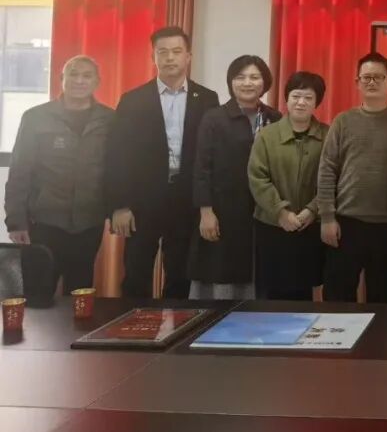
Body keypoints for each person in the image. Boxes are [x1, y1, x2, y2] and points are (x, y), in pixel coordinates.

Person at [105, 27, 219, 299]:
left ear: (188, 56)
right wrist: (119, 205)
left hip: (186, 199)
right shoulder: (133, 100)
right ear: (153, 57)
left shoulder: (207, 99)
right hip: (142, 201)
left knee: (180, 274)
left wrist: (207, 205)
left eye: (176, 51)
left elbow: (211, 156)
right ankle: (133, 324)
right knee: (136, 273)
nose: (170, 58)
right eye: (162, 52)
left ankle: (176, 325)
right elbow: (117, 155)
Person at [4, 56, 113, 293]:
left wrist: (117, 210)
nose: (79, 81)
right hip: (43, 223)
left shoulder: (110, 119)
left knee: (79, 296)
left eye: (87, 76)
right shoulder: (35, 117)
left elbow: (116, 169)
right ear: (62, 79)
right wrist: (16, 221)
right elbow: (20, 171)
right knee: (37, 294)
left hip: (88, 223)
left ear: (97, 82)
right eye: (73, 74)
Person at [319, 53, 387, 303]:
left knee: (384, 293)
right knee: (338, 293)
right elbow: (327, 170)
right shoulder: (343, 121)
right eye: (366, 77)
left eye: (378, 77)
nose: (372, 82)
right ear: (357, 82)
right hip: (346, 222)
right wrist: (327, 217)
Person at [187, 55, 280, 301]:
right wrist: (206, 211)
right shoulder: (214, 118)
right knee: (222, 271)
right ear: (231, 82)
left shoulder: (274, 118)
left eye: (254, 77)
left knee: (259, 270)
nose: (247, 83)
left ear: (265, 82)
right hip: (223, 209)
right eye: (240, 77)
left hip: (263, 212)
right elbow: (202, 168)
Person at [248, 71, 328, 301]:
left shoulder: (328, 135)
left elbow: (334, 179)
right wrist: (281, 211)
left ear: (317, 102)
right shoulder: (267, 136)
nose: (301, 102)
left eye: (308, 98)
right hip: (272, 225)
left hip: (309, 226)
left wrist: (312, 210)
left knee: (303, 293)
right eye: (296, 96)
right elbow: (257, 177)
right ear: (286, 99)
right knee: (270, 293)